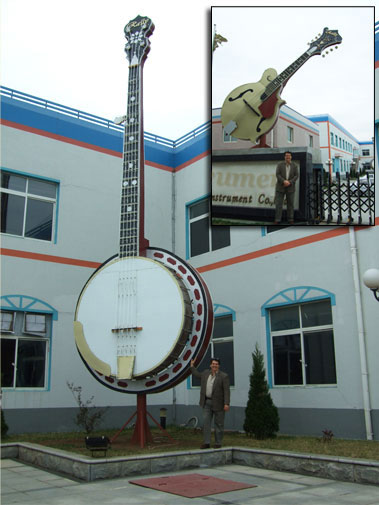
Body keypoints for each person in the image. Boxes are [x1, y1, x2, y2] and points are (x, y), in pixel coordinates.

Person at [190, 357, 230, 449]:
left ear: (218, 366)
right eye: (213, 364)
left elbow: (226, 391)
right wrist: (192, 366)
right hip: (206, 402)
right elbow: (196, 374)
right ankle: (206, 442)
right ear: (210, 365)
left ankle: (218, 443)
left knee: (219, 424)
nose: (214, 365)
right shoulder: (205, 373)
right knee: (206, 423)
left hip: (219, 404)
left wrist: (226, 403)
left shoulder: (224, 376)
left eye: (216, 364)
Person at [274, 151, 299, 224]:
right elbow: (277, 174)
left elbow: (296, 176)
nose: (288, 157)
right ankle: (277, 219)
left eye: (289, 156)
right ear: (284, 157)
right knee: (279, 204)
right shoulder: (280, 164)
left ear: (291, 157)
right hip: (280, 187)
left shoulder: (294, 165)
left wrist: (289, 182)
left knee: (290, 204)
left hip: (290, 187)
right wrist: (284, 181)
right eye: (286, 156)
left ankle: (290, 219)